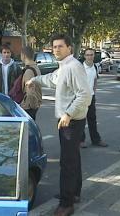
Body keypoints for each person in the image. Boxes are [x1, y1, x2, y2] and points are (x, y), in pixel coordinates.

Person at [26, 34, 91, 216]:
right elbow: (52, 79)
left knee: (67, 163)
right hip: (68, 120)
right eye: (54, 47)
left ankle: (66, 203)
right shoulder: (64, 67)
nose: (56, 49)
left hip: (71, 121)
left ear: (69, 48)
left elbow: (84, 95)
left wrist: (68, 114)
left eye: (60, 46)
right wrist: (35, 80)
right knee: (73, 159)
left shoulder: (74, 67)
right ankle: (73, 193)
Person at [80, 48, 108, 148]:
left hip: (91, 97)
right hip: (81, 97)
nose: (89, 57)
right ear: (84, 56)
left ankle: (96, 140)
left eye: (91, 55)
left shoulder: (95, 67)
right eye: (87, 55)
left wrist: (94, 92)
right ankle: (81, 140)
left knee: (92, 119)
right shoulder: (80, 68)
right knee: (81, 120)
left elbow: (95, 80)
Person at [20, 46, 42, 120]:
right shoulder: (36, 68)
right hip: (34, 104)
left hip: (29, 107)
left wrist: (29, 106)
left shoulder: (29, 71)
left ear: (24, 55)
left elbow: (30, 92)